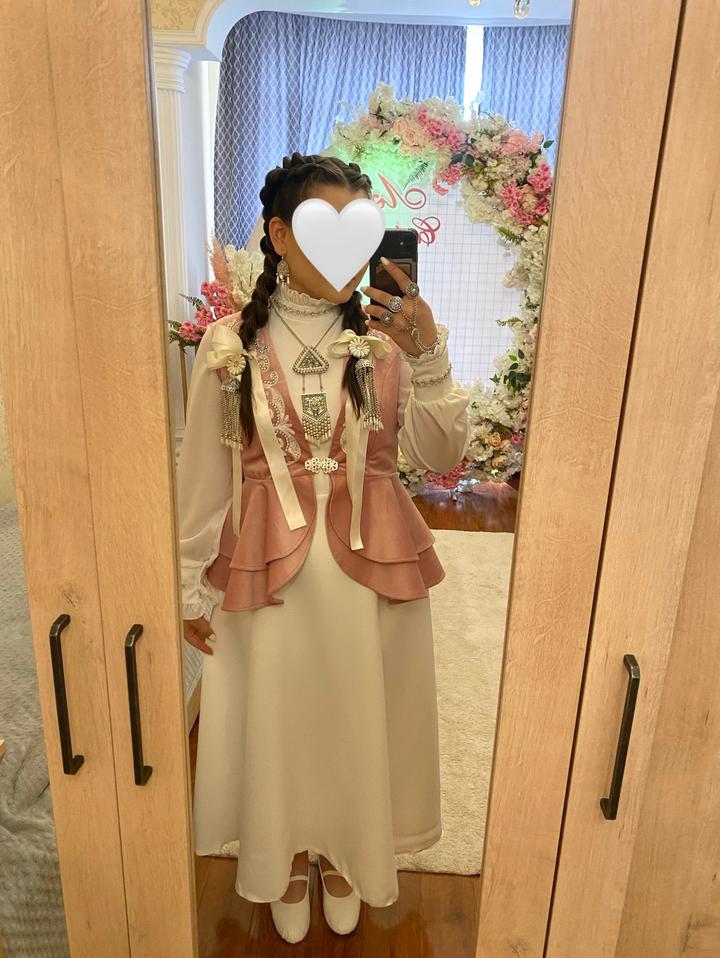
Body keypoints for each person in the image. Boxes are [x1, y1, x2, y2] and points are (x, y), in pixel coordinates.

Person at [177, 152, 470, 944]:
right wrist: (188, 585)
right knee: (281, 720)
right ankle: (287, 854)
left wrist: (429, 355)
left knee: (356, 716)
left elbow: (442, 456)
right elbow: (202, 476)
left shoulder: (387, 344)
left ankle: (345, 854)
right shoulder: (227, 345)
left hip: (371, 569)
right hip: (266, 569)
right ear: (280, 235)